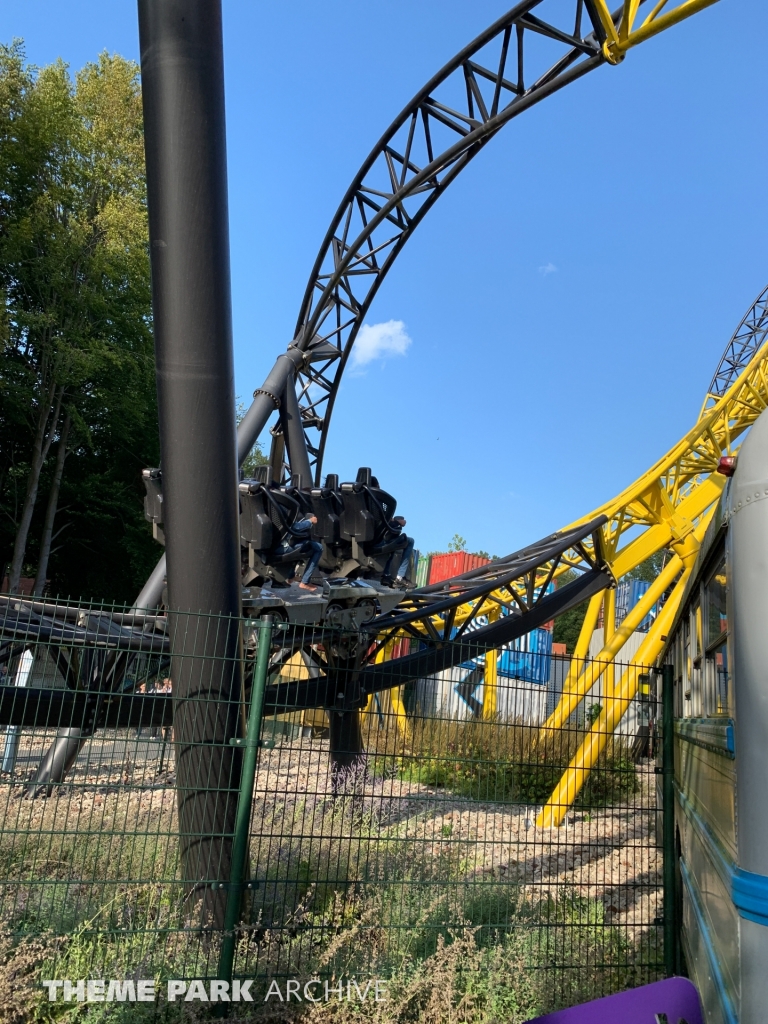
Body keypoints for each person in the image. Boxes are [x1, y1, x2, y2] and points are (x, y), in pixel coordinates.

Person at [282, 514, 323, 591]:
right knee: (318, 548)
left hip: (282, 542)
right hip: (286, 545)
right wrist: (310, 521)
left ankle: (291, 577)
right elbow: (295, 527)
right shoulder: (283, 508)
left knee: (299, 542)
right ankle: (304, 582)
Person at [382, 515, 415, 589]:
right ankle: (400, 577)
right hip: (382, 538)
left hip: (378, 537)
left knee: (394, 541)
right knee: (410, 541)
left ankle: (386, 575)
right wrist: (397, 522)